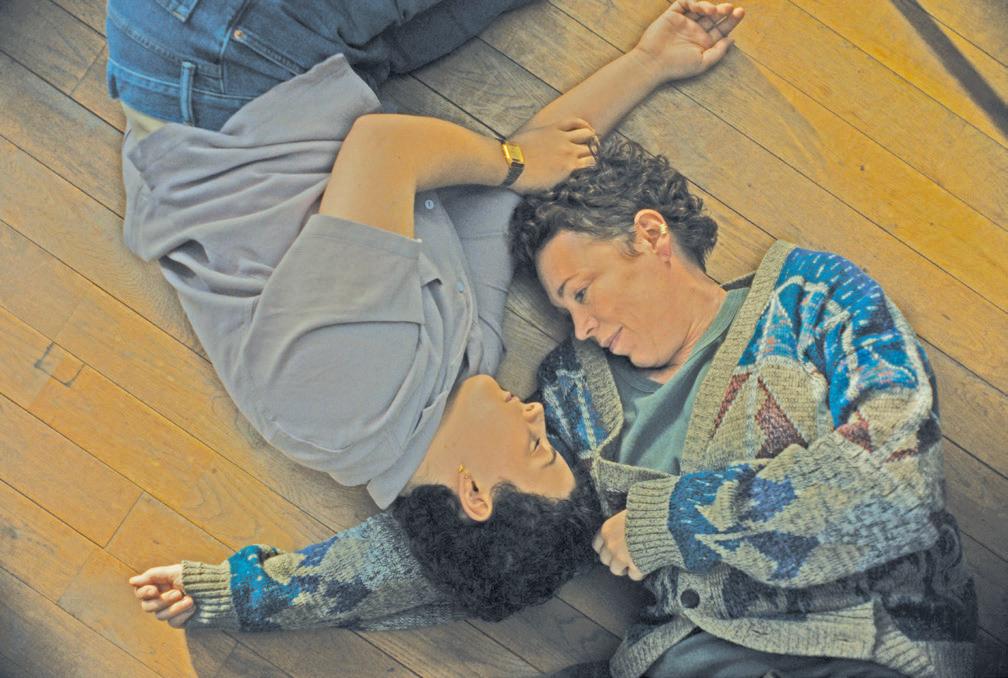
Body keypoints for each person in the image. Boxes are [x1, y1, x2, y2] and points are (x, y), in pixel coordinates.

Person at [121, 0, 746, 652]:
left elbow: (390, 149)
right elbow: (522, 186)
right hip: (325, 79)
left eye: (537, 449)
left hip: (214, 70)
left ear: (473, 492)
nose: (537, 415)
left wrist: (512, 158)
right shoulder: (467, 370)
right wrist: (651, 62)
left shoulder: (342, 402)